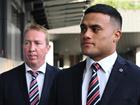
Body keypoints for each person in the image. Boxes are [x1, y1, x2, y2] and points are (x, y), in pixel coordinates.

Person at [48, 4, 140, 105]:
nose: (86, 35)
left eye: (95, 29)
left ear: (116, 35)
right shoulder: (63, 78)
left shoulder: (135, 77)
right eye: (83, 29)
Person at [0, 24, 59, 105]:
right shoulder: (5, 80)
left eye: (37, 43)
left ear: (47, 48)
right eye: (27, 43)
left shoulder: (61, 78)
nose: (31, 49)